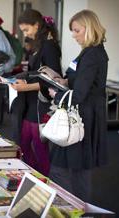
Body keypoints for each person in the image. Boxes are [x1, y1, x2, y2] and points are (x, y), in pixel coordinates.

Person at [48, 10, 108, 202]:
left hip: (82, 117)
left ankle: (72, 208)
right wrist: (65, 82)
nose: (73, 35)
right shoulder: (91, 51)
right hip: (83, 114)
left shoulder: (92, 54)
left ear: (89, 28)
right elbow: (82, 83)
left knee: (65, 169)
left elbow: (80, 94)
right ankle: (78, 208)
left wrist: (57, 94)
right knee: (77, 168)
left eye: (76, 30)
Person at [11, 9, 62, 176]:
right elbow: (36, 73)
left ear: (37, 25)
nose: (25, 33)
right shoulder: (37, 44)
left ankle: (44, 180)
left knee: (39, 148)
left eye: (27, 30)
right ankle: (35, 176)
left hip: (41, 104)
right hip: (30, 102)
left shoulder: (49, 45)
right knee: (24, 144)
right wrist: (23, 81)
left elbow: (53, 80)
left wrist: (25, 86)